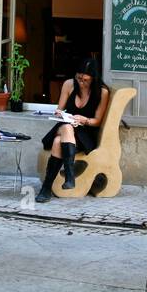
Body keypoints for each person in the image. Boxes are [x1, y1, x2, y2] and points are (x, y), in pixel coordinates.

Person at [36, 57, 110, 203]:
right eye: (79, 78)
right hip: (65, 126)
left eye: (85, 80)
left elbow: (97, 121)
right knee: (67, 126)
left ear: (94, 79)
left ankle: (46, 188)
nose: (81, 82)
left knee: (58, 142)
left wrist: (83, 119)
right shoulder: (69, 84)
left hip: (85, 133)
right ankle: (69, 176)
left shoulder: (102, 92)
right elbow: (59, 109)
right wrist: (60, 113)